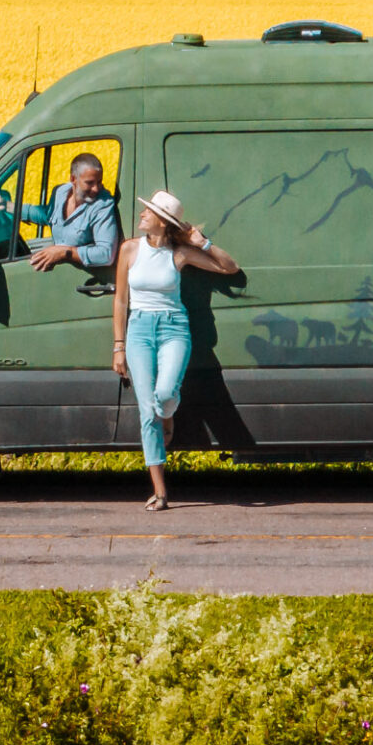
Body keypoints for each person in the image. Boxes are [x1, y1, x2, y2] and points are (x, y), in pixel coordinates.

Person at [111, 189, 238, 511]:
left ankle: (167, 413)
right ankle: (161, 491)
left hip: (173, 328)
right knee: (146, 412)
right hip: (139, 329)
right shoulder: (129, 249)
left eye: (147, 212)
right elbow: (121, 300)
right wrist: (118, 346)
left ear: (162, 222)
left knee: (165, 394)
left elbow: (230, 268)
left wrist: (201, 242)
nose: (141, 215)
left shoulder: (179, 254)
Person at [22, 152, 120, 272]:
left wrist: (65, 252)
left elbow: (106, 254)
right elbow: (48, 215)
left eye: (99, 182)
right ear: (73, 179)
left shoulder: (103, 204)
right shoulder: (60, 192)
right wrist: (10, 208)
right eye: (90, 183)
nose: (96, 189)